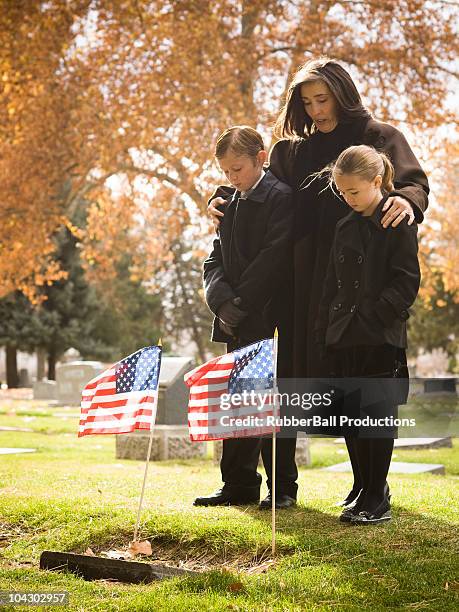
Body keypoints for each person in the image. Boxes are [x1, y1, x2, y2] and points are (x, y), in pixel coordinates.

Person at [208, 57, 429, 509]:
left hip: (358, 283)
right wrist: (223, 196)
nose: (316, 110)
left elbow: (412, 184)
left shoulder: (380, 138)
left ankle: (369, 485)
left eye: (322, 99)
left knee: (360, 381)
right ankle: (281, 489)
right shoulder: (292, 151)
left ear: (342, 93)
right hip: (300, 285)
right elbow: (260, 187)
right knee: (289, 380)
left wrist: (405, 201)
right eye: (306, 102)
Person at [315, 144, 420, 523]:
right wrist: (324, 331)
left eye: (354, 192)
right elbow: (331, 285)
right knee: (350, 415)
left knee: (375, 417)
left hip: (380, 335)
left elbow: (407, 282)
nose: (348, 199)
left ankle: (378, 494)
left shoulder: (397, 221)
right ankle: (361, 486)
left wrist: (374, 315)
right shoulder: (344, 225)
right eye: (342, 193)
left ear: (377, 182)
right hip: (343, 334)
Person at [194, 125, 298, 509]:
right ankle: (237, 484)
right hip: (236, 318)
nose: (231, 178)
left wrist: (241, 302)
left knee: (273, 404)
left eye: (237, 169)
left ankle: (282, 488)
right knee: (237, 404)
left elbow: (274, 258)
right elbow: (213, 260)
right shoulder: (230, 203)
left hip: (271, 318)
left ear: (260, 159)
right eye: (224, 172)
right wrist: (222, 303)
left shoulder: (281, 198)